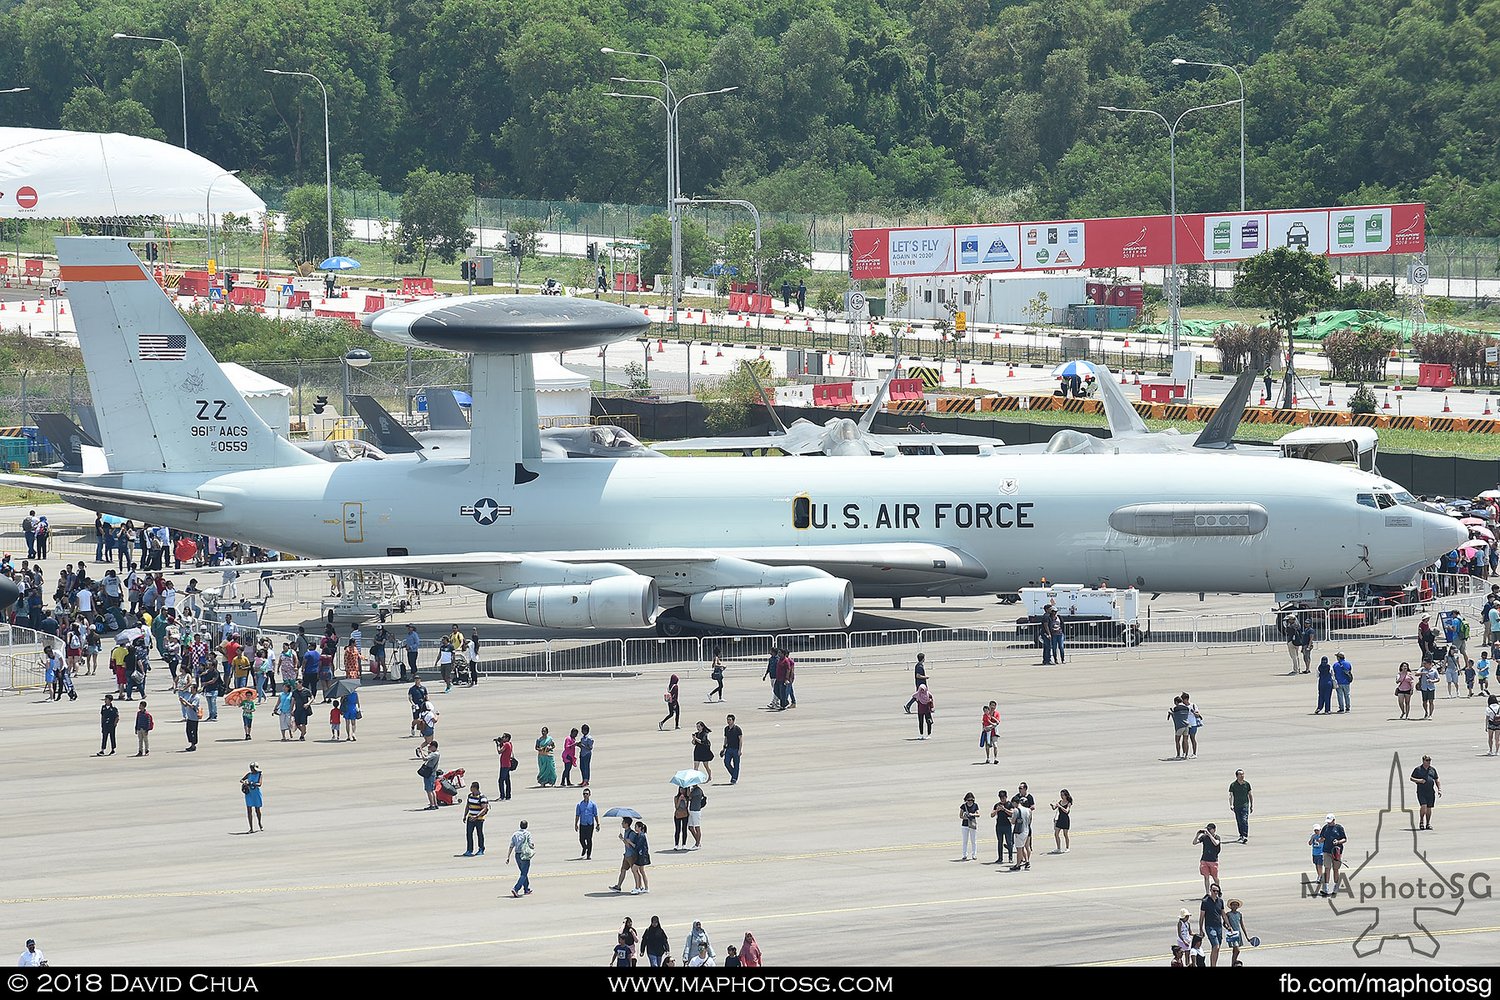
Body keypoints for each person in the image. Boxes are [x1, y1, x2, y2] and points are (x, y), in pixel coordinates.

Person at [1318, 814, 1347, 896]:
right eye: (1327, 822)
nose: (1328, 823)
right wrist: (1320, 840)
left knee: (1335, 869)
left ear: (1334, 820)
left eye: (1330, 822)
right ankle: (1325, 888)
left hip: (1336, 852)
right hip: (1327, 851)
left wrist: (1338, 842)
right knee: (1327, 868)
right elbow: (1322, 838)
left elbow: (1344, 839)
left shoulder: (1339, 828)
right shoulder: (1325, 828)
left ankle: (1336, 887)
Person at [1410, 754, 1441, 830]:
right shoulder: (1418, 769)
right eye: (1427, 760)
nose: (1429, 762)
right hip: (1421, 791)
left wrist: (1439, 789)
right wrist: (1419, 780)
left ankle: (1428, 823)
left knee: (1429, 808)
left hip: (1430, 791)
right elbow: (1411, 778)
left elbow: (1436, 779)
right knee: (1423, 806)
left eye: (1429, 760)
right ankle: (1421, 821)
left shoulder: (1432, 770)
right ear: (1423, 761)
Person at [1198, 884, 1225, 968]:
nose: (1215, 893)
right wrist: (1201, 929)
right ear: (1210, 890)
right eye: (1214, 891)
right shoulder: (1205, 901)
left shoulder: (1220, 901)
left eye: (1217, 891)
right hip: (1210, 926)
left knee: (1217, 948)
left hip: (1219, 926)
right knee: (1215, 946)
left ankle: (1214, 964)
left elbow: (1223, 914)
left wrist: (1228, 924)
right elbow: (1202, 916)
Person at [506, 820, 535, 897]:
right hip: (524, 855)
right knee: (524, 873)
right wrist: (533, 846)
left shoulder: (515, 834)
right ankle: (516, 888)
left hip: (517, 855)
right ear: (527, 826)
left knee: (523, 872)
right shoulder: (527, 833)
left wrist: (508, 856)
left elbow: (511, 845)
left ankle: (526, 889)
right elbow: (530, 844)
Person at [610, 817, 638, 892]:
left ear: (626, 824)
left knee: (635, 871)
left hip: (631, 855)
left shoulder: (631, 833)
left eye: (623, 822)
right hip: (626, 855)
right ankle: (618, 886)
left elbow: (629, 845)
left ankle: (638, 887)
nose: (622, 824)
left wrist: (622, 839)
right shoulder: (626, 831)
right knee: (623, 870)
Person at [462, 781, 489, 857]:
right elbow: (467, 806)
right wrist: (465, 815)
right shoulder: (470, 796)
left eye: (472, 787)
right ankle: (469, 850)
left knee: (479, 834)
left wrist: (476, 816)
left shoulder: (482, 797)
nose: (470, 789)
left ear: (475, 788)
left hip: (479, 819)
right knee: (469, 834)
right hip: (470, 818)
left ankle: (481, 849)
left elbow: (484, 809)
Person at [1193, 824, 1221, 894]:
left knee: (1215, 877)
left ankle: (1218, 890)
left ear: (1214, 830)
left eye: (1210, 829)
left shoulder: (1217, 837)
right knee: (1206, 877)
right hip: (1204, 859)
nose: (1208, 830)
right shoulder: (1204, 837)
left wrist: (1209, 835)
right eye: (1208, 829)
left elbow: (1216, 843)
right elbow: (1194, 842)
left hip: (1213, 860)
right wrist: (1197, 835)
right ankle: (1207, 893)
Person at [1229, 769, 1253, 843]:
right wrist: (1231, 805)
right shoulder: (1233, 785)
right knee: (1239, 821)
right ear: (1236, 776)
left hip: (1245, 805)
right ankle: (1241, 835)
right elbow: (1231, 795)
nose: (1242, 776)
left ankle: (1245, 835)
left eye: (1243, 774)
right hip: (1237, 805)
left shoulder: (1247, 784)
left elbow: (1250, 794)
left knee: (1244, 820)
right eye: (1240, 774)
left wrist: (1251, 805)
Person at [575, 787, 600, 859]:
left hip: (590, 824)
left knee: (589, 839)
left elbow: (595, 814)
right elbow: (577, 815)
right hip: (582, 824)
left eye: (586, 794)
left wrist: (598, 824)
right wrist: (576, 824)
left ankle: (588, 854)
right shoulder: (579, 804)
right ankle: (584, 847)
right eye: (584, 794)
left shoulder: (593, 804)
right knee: (581, 839)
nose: (585, 795)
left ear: (589, 795)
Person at [1225, 898, 1251, 966]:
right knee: (1237, 950)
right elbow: (1224, 923)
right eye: (1233, 905)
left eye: (1236, 905)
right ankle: (1234, 963)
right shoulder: (1228, 914)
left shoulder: (1239, 914)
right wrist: (1228, 927)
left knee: (1235, 951)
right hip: (1232, 934)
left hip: (1238, 933)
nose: (1235, 906)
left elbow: (1242, 925)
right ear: (1230, 906)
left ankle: (1233, 964)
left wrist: (1246, 936)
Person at [1009, 795, 1032, 871]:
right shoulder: (1028, 810)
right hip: (1026, 830)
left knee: (1019, 849)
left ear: (1015, 803)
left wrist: (1011, 819)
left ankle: (1018, 864)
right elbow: (1029, 820)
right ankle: (1027, 862)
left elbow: (1013, 821)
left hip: (1019, 831)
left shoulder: (1016, 810)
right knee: (1023, 847)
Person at [991, 791, 1014, 865]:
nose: (1002, 799)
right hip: (999, 826)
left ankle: (1010, 857)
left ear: (1006, 797)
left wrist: (1004, 809)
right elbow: (992, 815)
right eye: (1001, 798)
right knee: (999, 842)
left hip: (1007, 825)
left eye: (1003, 798)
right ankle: (1000, 858)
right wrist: (997, 810)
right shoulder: (997, 805)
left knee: (1009, 842)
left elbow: (1012, 813)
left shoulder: (1010, 804)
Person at [178, 684, 203, 751]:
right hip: (189, 717)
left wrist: (184, 700)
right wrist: (182, 701)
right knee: (188, 731)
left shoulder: (196, 697)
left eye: (191, 688)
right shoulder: (191, 696)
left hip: (194, 717)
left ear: (195, 689)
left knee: (194, 731)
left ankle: (193, 744)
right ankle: (191, 743)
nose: (190, 690)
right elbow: (186, 705)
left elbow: (192, 706)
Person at [242, 763, 264, 833]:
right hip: (249, 794)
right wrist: (245, 782)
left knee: (257, 810)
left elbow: (260, 784)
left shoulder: (259, 774)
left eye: (253, 768)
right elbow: (241, 780)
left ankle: (259, 823)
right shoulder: (249, 774)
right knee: (249, 810)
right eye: (251, 768)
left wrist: (252, 783)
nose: (252, 770)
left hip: (256, 794)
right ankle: (251, 828)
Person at [631, 820, 652, 894]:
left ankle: (637, 888)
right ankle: (646, 888)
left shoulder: (641, 836)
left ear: (640, 828)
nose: (635, 828)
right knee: (642, 871)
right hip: (642, 855)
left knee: (634, 869)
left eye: (636, 826)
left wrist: (630, 842)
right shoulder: (639, 835)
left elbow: (637, 846)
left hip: (641, 856)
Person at [420, 740, 442, 809]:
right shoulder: (437, 753)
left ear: (434, 747)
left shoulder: (434, 754)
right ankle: (435, 804)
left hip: (429, 774)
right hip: (433, 774)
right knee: (432, 790)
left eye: (430, 746)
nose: (429, 747)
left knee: (429, 790)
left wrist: (421, 751)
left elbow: (425, 758)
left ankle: (432, 805)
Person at [722, 714, 743, 784]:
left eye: (730, 720)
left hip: (736, 749)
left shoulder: (737, 729)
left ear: (733, 721)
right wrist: (723, 748)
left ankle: (734, 778)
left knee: (736, 764)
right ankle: (734, 774)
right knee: (726, 762)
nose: (728, 721)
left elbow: (740, 739)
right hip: (728, 749)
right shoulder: (726, 729)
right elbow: (726, 738)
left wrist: (740, 750)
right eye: (727, 719)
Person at [959, 792, 979, 860]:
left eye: (971, 800)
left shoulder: (975, 805)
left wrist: (972, 815)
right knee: (965, 841)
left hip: (972, 824)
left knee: (974, 840)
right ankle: (964, 854)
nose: (970, 801)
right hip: (965, 825)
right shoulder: (963, 806)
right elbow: (960, 816)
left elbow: (978, 814)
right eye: (968, 800)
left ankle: (974, 854)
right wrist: (966, 817)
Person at [687, 782, 707, 849]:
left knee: (697, 827)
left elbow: (689, 796)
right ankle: (697, 841)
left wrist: (688, 788)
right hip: (692, 810)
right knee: (690, 827)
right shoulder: (694, 789)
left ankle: (697, 844)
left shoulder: (697, 790)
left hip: (696, 811)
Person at [497, 733, 514, 800]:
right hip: (507, 764)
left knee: (501, 781)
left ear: (507, 738)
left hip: (504, 765)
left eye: (504, 737)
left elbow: (499, 751)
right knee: (507, 781)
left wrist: (498, 745)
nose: (502, 738)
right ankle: (508, 795)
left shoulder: (506, 744)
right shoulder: (509, 743)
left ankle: (502, 796)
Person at [578, 723, 594, 788]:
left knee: (586, 767)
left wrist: (583, 746)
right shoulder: (582, 738)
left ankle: (586, 780)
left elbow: (590, 747)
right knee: (582, 767)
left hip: (587, 754)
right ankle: (583, 779)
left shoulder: (589, 738)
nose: (582, 731)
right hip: (582, 753)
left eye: (583, 730)